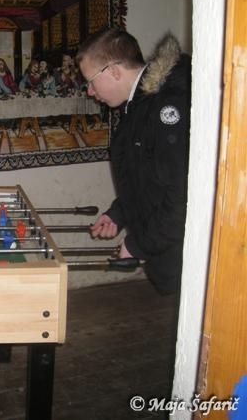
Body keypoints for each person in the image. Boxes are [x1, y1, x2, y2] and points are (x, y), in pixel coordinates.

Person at [75, 28, 191, 295]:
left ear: (114, 71)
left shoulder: (167, 106)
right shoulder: (139, 104)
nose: (90, 91)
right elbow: (146, 177)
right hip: (168, 249)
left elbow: (182, 196)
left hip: (184, 254)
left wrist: (139, 245)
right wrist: (119, 213)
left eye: (91, 81)